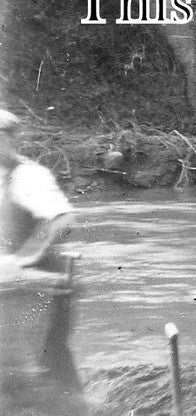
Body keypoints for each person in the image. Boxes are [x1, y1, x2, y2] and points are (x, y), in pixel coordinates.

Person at [0, 109, 85, 414]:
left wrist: (29, 257)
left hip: (44, 286)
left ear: (12, 139)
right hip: (11, 288)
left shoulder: (29, 176)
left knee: (47, 365)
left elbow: (64, 219)